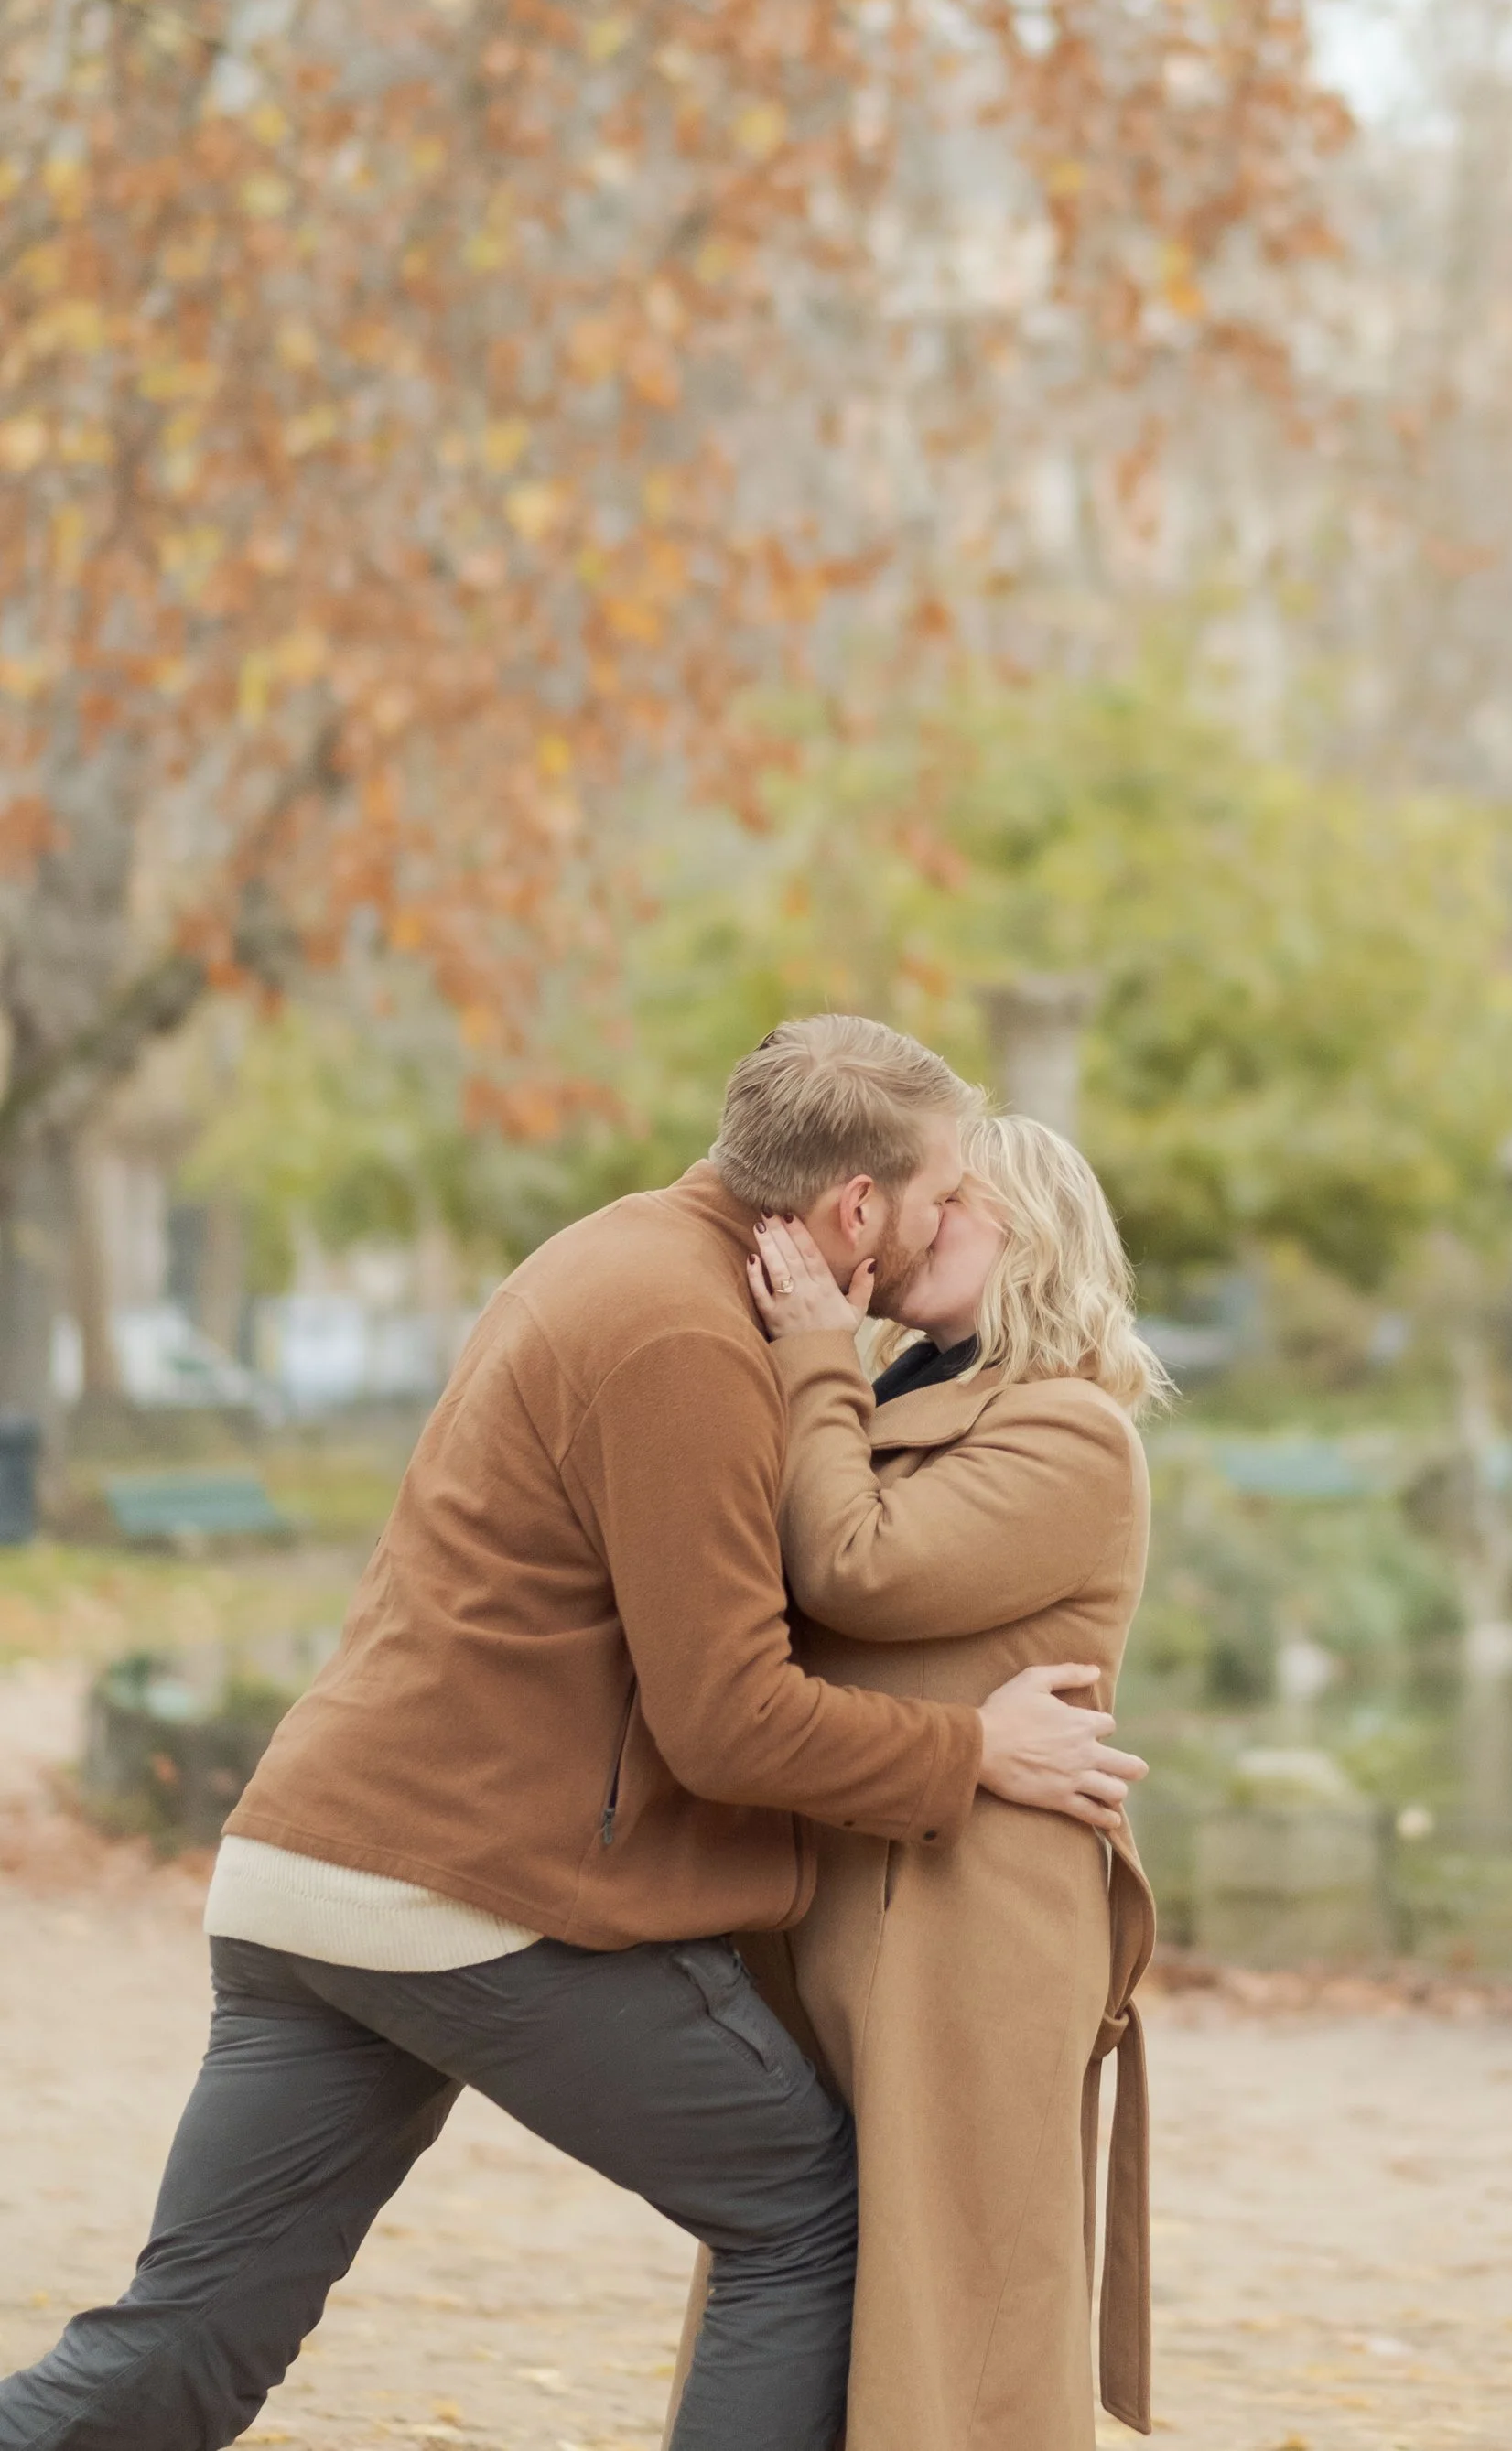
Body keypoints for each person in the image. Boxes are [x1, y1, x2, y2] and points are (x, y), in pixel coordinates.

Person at [0, 1017, 1144, 2451]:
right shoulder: (688, 1334)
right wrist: (970, 1754)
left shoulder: (615, 1253)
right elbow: (727, 1720)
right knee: (807, 2210)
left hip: (310, 1869)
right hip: (466, 1886)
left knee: (180, 2350)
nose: (936, 1222)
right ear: (858, 1204)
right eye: (937, 1190)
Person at [664, 1107, 1168, 2451]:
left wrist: (815, 1346)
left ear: (1036, 1233)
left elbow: (852, 1564)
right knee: (817, 2266)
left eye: (958, 1203)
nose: (918, 1219)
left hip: (973, 1922)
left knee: (957, 2308)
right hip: (849, 1894)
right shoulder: (901, 1390)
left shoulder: (1070, 1433)